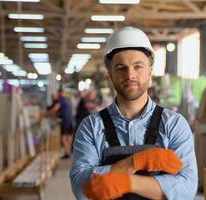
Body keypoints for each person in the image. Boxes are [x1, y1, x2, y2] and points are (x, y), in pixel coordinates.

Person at [69, 27, 198, 200]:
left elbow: (186, 189)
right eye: (121, 68)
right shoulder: (91, 127)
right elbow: (81, 188)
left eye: (138, 66)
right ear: (110, 75)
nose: (130, 75)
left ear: (150, 72)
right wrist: (134, 162)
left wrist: (128, 182)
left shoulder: (174, 125)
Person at [49, 89, 73, 158]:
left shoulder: (61, 100)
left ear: (59, 93)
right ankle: (68, 151)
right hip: (70, 120)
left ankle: (67, 152)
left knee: (63, 137)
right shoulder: (67, 100)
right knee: (69, 136)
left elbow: (55, 109)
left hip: (65, 121)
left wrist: (48, 114)